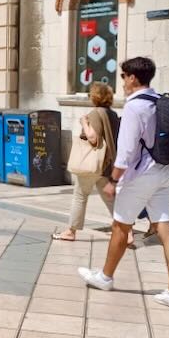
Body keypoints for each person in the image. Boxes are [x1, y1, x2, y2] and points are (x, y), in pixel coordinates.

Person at [79, 57, 169, 311]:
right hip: (163, 172)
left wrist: (113, 180)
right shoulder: (160, 101)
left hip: (139, 177)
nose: (123, 81)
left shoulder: (135, 108)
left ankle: (105, 277)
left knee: (120, 226)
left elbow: (125, 152)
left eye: (124, 76)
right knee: (165, 229)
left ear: (133, 78)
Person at [53, 82, 119, 242]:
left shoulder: (95, 114)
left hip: (93, 164)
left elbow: (93, 138)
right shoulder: (112, 114)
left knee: (80, 196)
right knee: (109, 198)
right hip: (107, 164)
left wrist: (84, 123)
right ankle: (126, 230)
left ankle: (70, 232)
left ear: (95, 96)